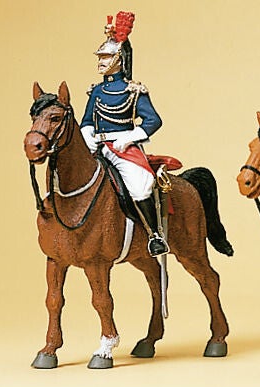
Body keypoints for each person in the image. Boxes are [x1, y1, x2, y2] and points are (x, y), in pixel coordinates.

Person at [80, 11, 168, 257]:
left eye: (106, 57)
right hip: (97, 148)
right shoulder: (96, 91)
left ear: (119, 59)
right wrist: (87, 136)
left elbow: (153, 120)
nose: (100, 62)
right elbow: (87, 121)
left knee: (140, 188)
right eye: (100, 57)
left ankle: (154, 235)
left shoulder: (133, 90)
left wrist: (129, 137)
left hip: (123, 149)